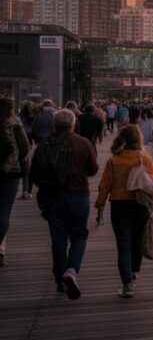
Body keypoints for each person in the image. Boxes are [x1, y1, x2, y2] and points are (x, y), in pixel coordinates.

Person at [30, 109, 98, 299]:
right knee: (79, 235)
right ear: (73, 124)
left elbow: (34, 173)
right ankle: (71, 270)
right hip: (77, 195)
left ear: (55, 125)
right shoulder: (83, 143)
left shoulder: (44, 145)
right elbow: (93, 170)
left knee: (58, 240)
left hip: (52, 197)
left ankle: (60, 280)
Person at [95, 125, 153, 298]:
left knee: (123, 246)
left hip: (119, 206)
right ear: (139, 140)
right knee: (137, 242)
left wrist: (100, 207)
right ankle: (134, 270)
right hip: (140, 206)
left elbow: (104, 186)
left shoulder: (114, 161)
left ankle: (127, 284)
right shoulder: (145, 159)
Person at [0, 98, 31, 266]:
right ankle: (0, 249)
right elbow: (25, 149)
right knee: (4, 210)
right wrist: (15, 161)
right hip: (11, 172)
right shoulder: (15, 125)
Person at [17, 101, 34, 199]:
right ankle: (29, 191)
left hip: (21, 146)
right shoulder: (34, 118)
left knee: (25, 171)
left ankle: (24, 191)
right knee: (29, 171)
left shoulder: (18, 119)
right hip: (32, 145)